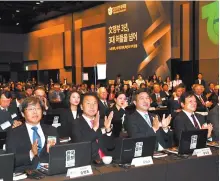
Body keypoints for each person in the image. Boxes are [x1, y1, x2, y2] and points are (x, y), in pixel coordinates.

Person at [6, 97, 59, 171]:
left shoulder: (52, 130)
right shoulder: (14, 133)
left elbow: (59, 155)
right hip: (26, 174)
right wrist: (31, 154)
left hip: (49, 173)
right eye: (30, 109)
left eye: (38, 108)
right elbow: (10, 160)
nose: (35, 112)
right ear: (22, 114)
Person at [70, 93, 114, 161]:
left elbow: (110, 146)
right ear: (81, 106)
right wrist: (94, 129)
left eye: (94, 103)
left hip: (106, 161)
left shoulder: (103, 122)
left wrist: (108, 130)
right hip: (88, 162)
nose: (92, 106)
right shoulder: (76, 123)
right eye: (88, 103)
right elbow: (81, 146)